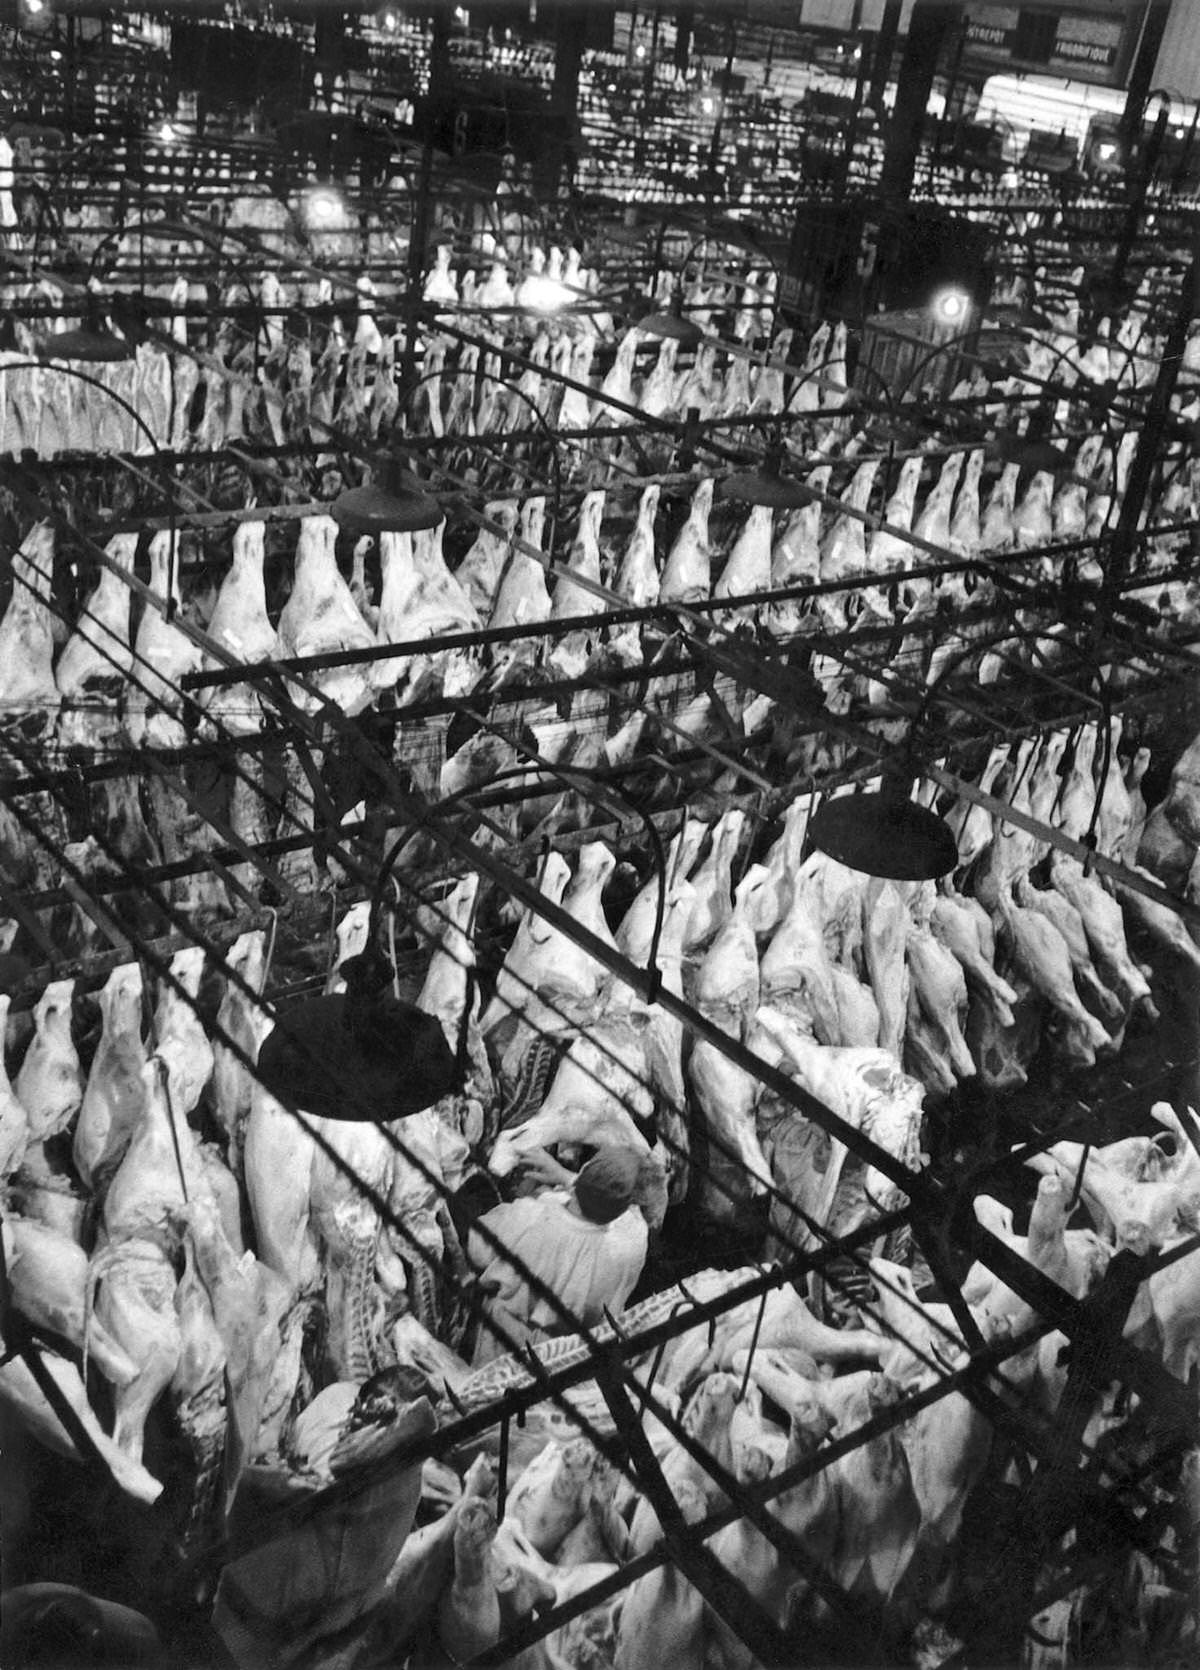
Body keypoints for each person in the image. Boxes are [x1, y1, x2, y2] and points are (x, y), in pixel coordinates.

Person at [465, 1144, 650, 1366]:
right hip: (565, 1355)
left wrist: (540, 1196)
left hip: (503, 1342)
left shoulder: (530, 1216)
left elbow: (477, 1249)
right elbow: (618, 1208)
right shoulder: (630, 1243)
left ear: (584, 1171)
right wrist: (568, 1179)